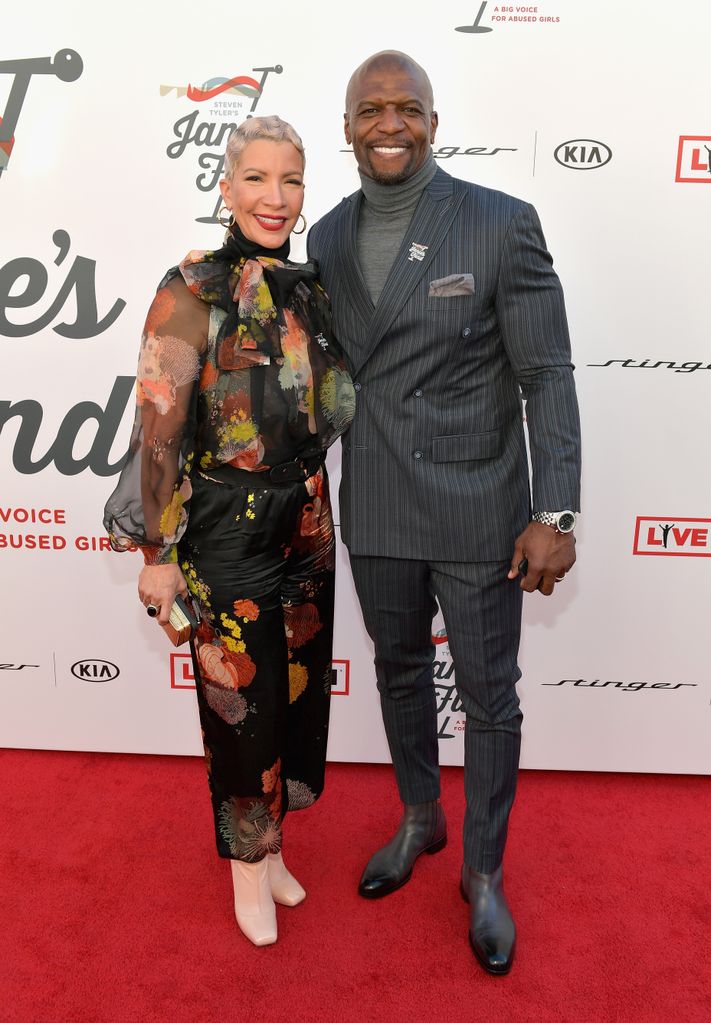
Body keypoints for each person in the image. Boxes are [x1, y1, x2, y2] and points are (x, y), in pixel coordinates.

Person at [308, 51, 581, 974]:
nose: (389, 125)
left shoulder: (500, 224)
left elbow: (545, 373)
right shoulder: (328, 238)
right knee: (394, 669)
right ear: (346, 126)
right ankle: (420, 817)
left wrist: (560, 511)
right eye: (369, 110)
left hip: (478, 504)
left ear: (432, 120)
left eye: (406, 109)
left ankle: (484, 868)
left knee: (489, 694)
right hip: (378, 499)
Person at [104, 116, 355, 947]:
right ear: (225, 185)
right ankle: (248, 868)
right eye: (256, 178)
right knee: (241, 701)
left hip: (308, 518)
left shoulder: (306, 286)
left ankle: (274, 846)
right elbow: (159, 428)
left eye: (289, 181)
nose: (274, 198)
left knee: (296, 691)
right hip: (223, 528)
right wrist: (156, 552)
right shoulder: (189, 291)